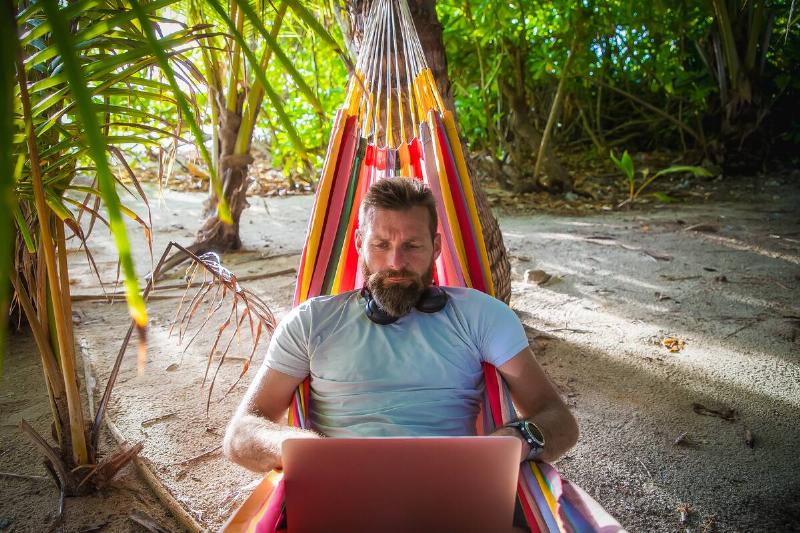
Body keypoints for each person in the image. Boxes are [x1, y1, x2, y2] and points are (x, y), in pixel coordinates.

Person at [224, 177, 578, 476]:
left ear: (436, 247)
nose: (396, 262)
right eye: (381, 245)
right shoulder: (311, 322)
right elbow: (241, 433)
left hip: (451, 487)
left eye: (412, 245)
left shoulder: (482, 316)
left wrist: (518, 440)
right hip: (341, 486)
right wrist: (297, 447)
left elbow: (557, 418)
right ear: (359, 244)